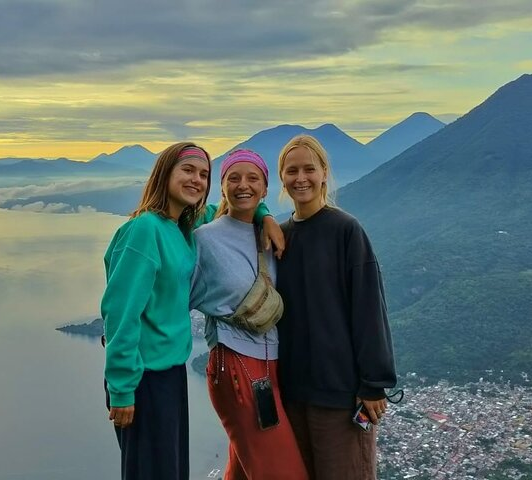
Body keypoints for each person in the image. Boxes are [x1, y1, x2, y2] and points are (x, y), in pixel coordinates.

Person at [101, 143, 284, 480]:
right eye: (187, 170)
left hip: (169, 371)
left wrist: (265, 215)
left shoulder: (182, 224)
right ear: (165, 173)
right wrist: (122, 389)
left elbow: (237, 202)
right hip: (143, 377)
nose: (197, 180)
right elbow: (120, 313)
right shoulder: (145, 230)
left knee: (170, 471)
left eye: (203, 174)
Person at [275, 135, 399, 480]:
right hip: (294, 392)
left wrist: (374, 383)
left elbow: (369, 308)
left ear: (324, 174)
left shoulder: (345, 230)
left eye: (309, 169)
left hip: (340, 394)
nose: (301, 178)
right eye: (292, 171)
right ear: (282, 179)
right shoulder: (281, 236)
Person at [190, 149, 308, 480]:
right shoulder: (204, 239)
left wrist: (265, 216)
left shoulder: (269, 233)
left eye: (253, 178)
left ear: (265, 188)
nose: (244, 185)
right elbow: (172, 295)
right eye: (234, 178)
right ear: (222, 186)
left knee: (243, 469)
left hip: (273, 365)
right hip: (237, 366)